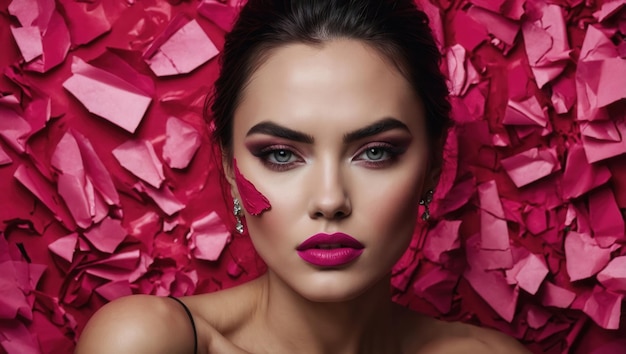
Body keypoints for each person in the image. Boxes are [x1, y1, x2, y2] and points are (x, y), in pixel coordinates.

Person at [76, 1, 530, 353]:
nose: (330, 200)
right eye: (280, 155)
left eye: (375, 152)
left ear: (431, 169)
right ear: (233, 173)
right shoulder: (151, 341)